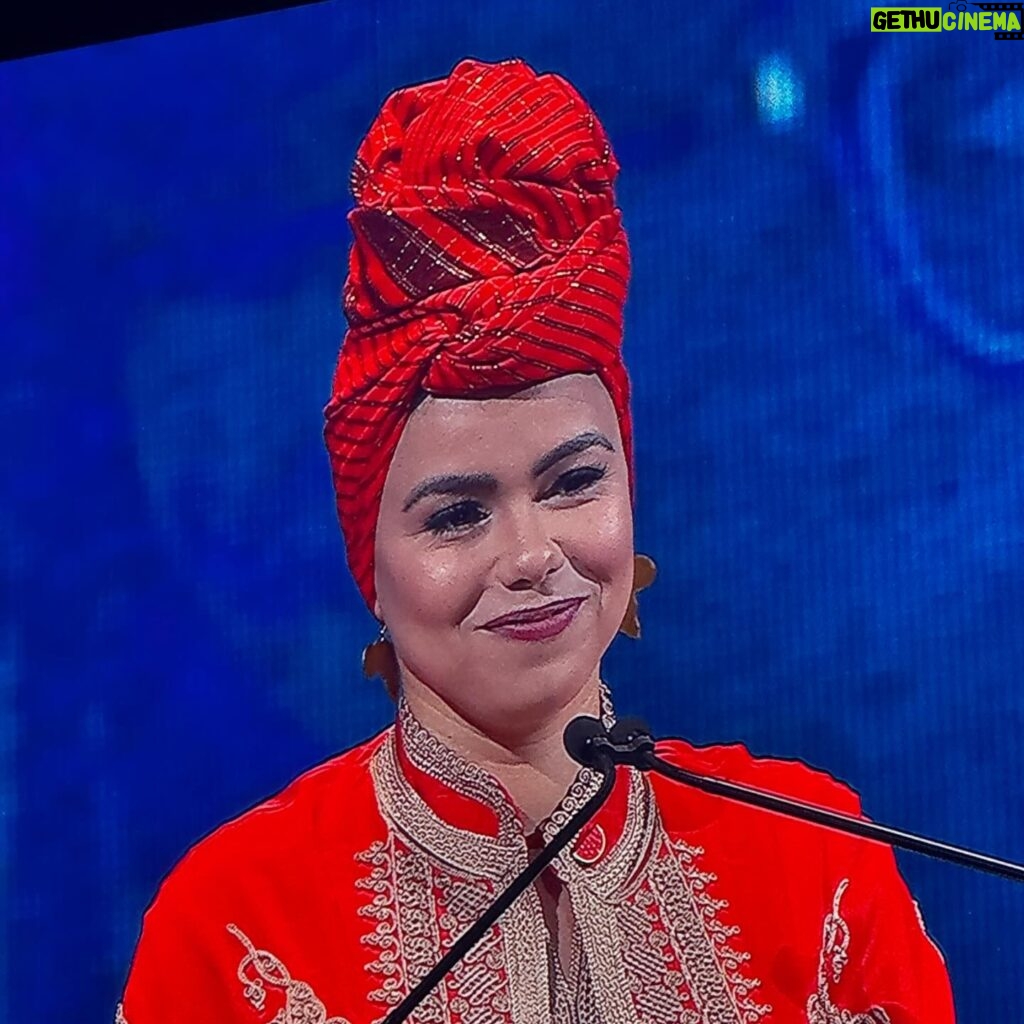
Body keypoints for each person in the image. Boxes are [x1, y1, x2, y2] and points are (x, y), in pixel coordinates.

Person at [116, 57, 956, 1024]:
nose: (531, 554)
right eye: (457, 514)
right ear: (371, 568)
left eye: (574, 483)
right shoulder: (235, 920)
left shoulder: (815, 853)